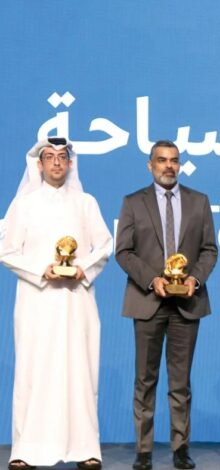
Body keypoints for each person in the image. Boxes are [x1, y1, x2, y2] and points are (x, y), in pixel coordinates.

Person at [0, 137, 112, 470]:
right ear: (39, 164)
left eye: (62, 157)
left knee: (80, 372)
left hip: (77, 301)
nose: (57, 163)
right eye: (50, 157)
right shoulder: (24, 205)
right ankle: (26, 450)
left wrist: (82, 268)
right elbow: (6, 251)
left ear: (70, 163)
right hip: (37, 302)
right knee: (33, 373)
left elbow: (104, 245)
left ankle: (85, 448)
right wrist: (41, 270)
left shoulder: (86, 203)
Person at [115, 140, 218, 470]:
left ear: (180, 165)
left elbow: (209, 250)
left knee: (180, 382)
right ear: (150, 165)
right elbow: (124, 251)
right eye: (161, 160)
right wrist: (152, 280)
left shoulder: (199, 201)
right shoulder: (133, 202)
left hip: (187, 302)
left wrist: (194, 279)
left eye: (174, 160)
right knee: (145, 380)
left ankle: (180, 448)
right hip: (147, 300)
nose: (168, 166)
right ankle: (143, 450)